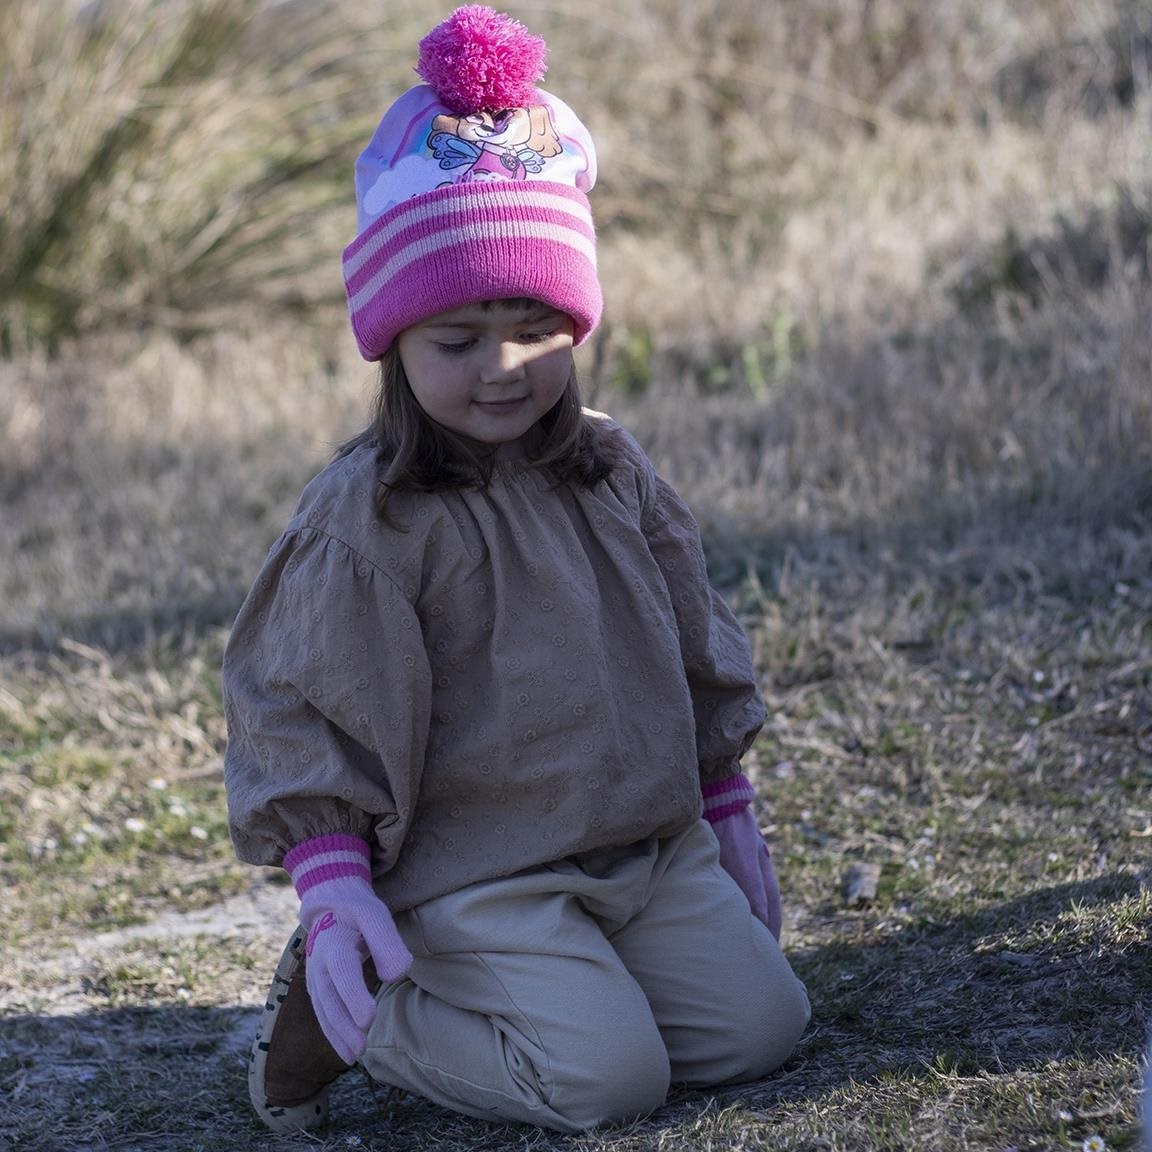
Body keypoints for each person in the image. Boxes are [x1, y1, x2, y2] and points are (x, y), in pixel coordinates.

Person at [222, 4, 810, 1136]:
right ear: (393, 339)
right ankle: (361, 1014)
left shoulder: (609, 468)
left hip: (642, 843)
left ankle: (591, 980)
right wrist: (334, 877)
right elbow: (301, 708)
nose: (505, 368)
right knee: (607, 1081)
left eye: (539, 328)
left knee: (759, 1030)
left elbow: (690, 638)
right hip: (476, 874)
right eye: (459, 341)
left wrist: (725, 797)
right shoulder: (369, 520)